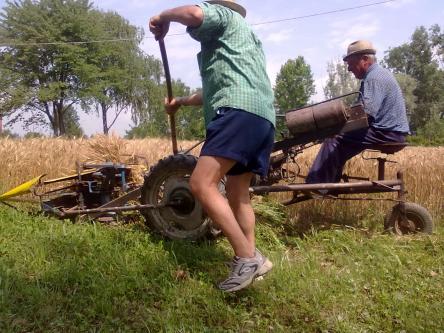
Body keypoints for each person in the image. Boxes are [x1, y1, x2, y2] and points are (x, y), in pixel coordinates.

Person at [149, 0, 276, 292]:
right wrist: (180, 102)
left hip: (236, 112)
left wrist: (163, 16)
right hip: (261, 117)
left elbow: (193, 14)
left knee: (201, 183)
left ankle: (247, 257)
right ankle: (252, 260)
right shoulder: (242, 38)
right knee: (238, 193)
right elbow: (211, 89)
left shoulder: (220, 14)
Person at [306, 40, 410, 184]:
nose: (349, 69)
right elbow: (361, 110)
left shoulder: (374, 78)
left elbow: (366, 112)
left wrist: (334, 127)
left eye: (351, 64)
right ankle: (329, 183)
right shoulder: (377, 75)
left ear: (365, 60)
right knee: (340, 142)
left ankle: (316, 185)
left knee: (333, 138)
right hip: (389, 131)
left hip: (386, 132)